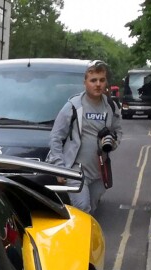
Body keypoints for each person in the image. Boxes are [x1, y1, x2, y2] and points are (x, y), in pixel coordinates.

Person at [47, 60, 121, 215]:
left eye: (101, 80)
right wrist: (60, 168)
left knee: (91, 211)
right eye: (93, 80)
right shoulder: (73, 106)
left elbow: (117, 131)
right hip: (76, 171)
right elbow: (55, 137)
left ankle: (81, 237)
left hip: (100, 171)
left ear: (106, 82)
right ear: (85, 82)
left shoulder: (111, 106)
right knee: (83, 208)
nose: (98, 84)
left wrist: (112, 142)